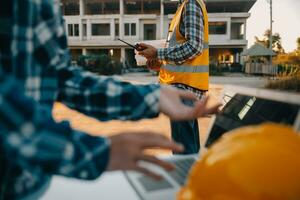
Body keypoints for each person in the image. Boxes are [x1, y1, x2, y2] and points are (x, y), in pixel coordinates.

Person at [0, 0, 219, 199]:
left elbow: (62, 77)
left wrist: (150, 98)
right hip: (12, 179)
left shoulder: (42, 6)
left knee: (186, 154)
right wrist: (94, 153)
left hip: (32, 182)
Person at [138, 0, 209, 154]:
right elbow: (184, 54)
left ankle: (187, 178)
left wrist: (158, 53)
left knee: (183, 153)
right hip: (182, 86)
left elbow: (194, 47)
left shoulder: (190, 4)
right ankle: (191, 176)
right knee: (188, 150)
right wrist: (160, 64)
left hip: (184, 88)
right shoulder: (183, 7)